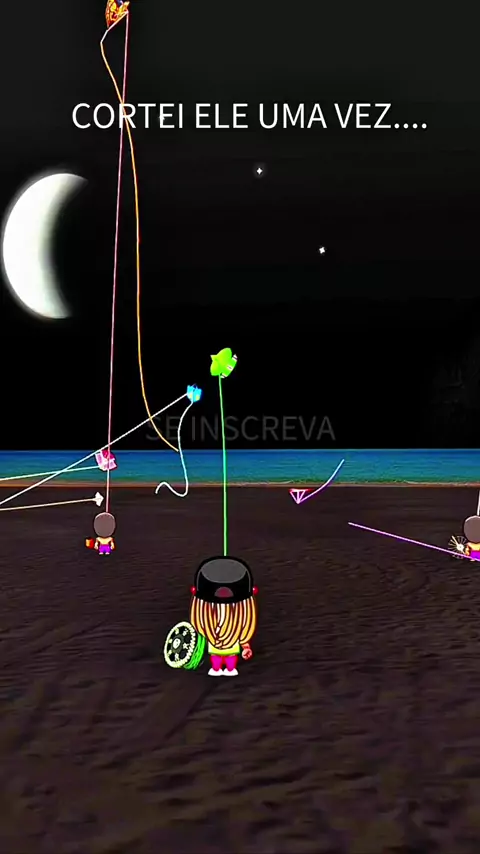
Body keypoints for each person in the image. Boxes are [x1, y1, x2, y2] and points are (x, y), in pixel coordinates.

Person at [189, 556, 257, 676]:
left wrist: (246, 647)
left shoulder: (240, 617)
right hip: (214, 645)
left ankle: (230, 668)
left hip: (232, 645)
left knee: (230, 659)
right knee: (216, 659)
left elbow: (244, 628)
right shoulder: (206, 620)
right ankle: (217, 668)